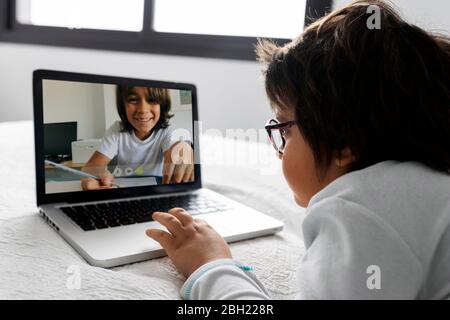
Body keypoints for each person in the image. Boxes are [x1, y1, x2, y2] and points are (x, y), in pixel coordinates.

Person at [146, 0, 450, 299]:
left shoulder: (358, 209)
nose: (280, 149)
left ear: (344, 142)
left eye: (285, 130)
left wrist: (210, 265)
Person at [81, 86, 194, 190]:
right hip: (120, 190)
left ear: (162, 105)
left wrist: (183, 147)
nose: (143, 109)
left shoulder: (167, 131)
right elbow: (90, 167)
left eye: (152, 100)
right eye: (133, 100)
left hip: (154, 191)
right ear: (123, 105)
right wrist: (98, 174)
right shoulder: (117, 130)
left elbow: (176, 147)